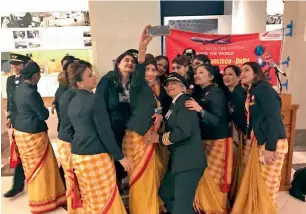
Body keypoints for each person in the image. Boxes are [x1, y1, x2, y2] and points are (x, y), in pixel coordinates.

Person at [67, 61, 132, 213]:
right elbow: (105, 132)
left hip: (78, 156)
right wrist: (120, 158)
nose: (95, 77)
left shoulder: (72, 101)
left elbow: (69, 129)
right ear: (79, 83)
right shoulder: (95, 99)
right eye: (89, 76)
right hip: (96, 157)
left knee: (90, 198)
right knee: (107, 198)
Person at [145, 72, 207, 214]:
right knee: (166, 194)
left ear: (183, 87)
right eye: (167, 84)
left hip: (188, 162)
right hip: (178, 162)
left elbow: (184, 132)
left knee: (182, 206)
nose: (169, 86)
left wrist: (159, 139)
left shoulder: (185, 102)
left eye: (174, 83)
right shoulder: (175, 104)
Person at [231, 62, 288, 214]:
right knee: (257, 183)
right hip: (260, 141)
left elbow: (273, 118)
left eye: (246, 70)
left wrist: (270, 148)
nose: (242, 73)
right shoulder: (252, 91)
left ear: (256, 73)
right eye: (241, 71)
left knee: (267, 187)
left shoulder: (264, 88)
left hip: (272, 142)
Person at [122, 25, 164, 214]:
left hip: (148, 138)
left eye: (153, 70)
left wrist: (160, 116)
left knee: (149, 178)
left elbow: (156, 110)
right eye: (147, 69)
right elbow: (138, 74)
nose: (150, 73)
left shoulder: (151, 90)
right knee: (141, 179)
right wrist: (142, 48)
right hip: (138, 138)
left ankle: (149, 208)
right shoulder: (137, 86)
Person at [13, 61, 66, 213]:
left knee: (31, 168)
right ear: (36, 75)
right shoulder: (31, 92)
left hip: (21, 133)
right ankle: (45, 200)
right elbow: (43, 114)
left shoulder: (19, 88)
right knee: (43, 167)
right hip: (34, 134)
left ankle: (37, 199)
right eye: (39, 75)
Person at [185, 63, 232, 214]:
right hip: (204, 140)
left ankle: (216, 209)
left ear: (211, 76)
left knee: (215, 178)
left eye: (201, 72)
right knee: (204, 176)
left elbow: (217, 120)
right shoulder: (201, 92)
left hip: (217, 140)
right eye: (195, 72)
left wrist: (199, 109)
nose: (197, 75)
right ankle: (204, 207)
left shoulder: (216, 93)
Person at [96, 50, 137, 191]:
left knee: (120, 167)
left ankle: (118, 192)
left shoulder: (133, 84)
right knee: (111, 165)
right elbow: (99, 107)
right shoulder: (107, 81)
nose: (130, 63)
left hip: (125, 131)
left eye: (133, 61)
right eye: (126, 60)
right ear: (118, 63)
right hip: (108, 130)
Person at [57, 62, 90, 213]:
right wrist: (79, 143)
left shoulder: (80, 94)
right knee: (73, 180)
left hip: (74, 142)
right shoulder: (69, 97)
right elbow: (67, 125)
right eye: (89, 74)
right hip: (69, 142)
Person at [3, 53, 30, 198]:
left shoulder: (29, 79)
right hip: (16, 121)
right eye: (12, 64)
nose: (14, 67)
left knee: (24, 154)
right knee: (19, 153)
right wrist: (9, 116)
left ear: (25, 65)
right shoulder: (10, 80)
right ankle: (18, 185)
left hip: (26, 122)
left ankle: (21, 184)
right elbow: (10, 99)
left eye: (17, 64)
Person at [222, 65, 247, 206]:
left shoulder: (240, 94)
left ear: (238, 77)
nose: (227, 77)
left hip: (244, 135)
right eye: (225, 74)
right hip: (236, 134)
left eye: (231, 74)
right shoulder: (230, 93)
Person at [51, 55, 75, 131]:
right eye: (64, 66)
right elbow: (60, 93)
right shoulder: (64, 83)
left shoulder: (75, 82)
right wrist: (55, 102)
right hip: (67, 128)